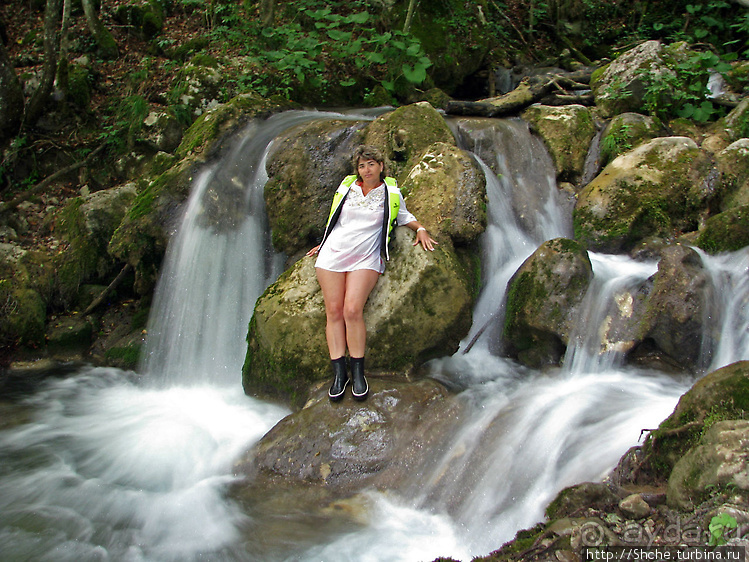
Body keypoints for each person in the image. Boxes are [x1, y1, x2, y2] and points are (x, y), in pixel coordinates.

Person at [306, 145, 437, 402]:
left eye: (371, 164)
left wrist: (420, 228)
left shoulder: (390, 191)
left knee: (352, 310)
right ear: (358, 169)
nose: (367, 170)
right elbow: (335, 218)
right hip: (333, 253)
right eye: (362, 166)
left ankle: (358, 371)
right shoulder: (347, 187)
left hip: (365, 256)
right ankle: (338, 374)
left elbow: (403, 215)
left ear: (381, 166)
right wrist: (323, 242)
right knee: (333, 312)